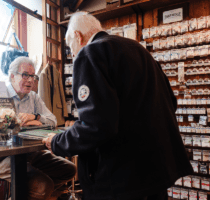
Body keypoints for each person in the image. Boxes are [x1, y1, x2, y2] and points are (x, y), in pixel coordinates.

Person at [43, 12, 193, 200]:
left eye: (70, 47)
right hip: (156, 174)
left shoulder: (90, 53)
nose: (73, 54)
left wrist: (57, 142)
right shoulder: (140, 51)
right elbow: (171, 102)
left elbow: (96, 125)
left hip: (120, 180)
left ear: (77, 36)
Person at [0, 56, 76, 200]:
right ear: (12, 76)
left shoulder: (33, 97)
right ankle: (33, 193)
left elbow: (53, 120)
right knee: (43, 185)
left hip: (29, 153)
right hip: (0, 158)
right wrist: (1, 120)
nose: (30, 80)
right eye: (25, 75)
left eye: (32, 76)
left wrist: (35, 117)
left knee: (69, 170)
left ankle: (27, 195)